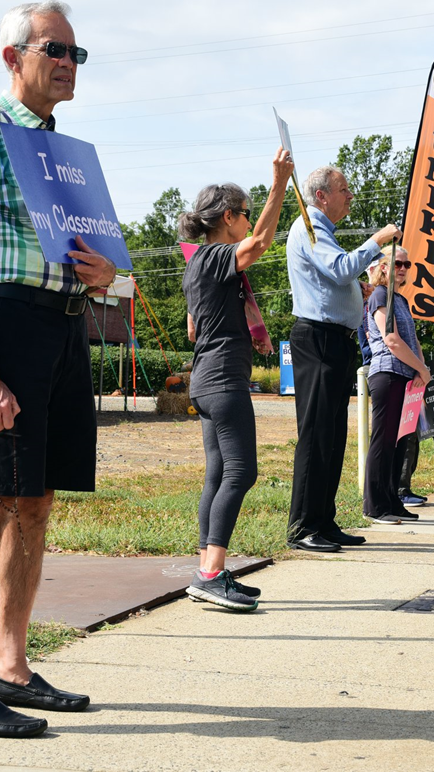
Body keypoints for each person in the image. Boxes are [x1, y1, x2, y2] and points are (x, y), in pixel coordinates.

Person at [0, 0, 116, 739]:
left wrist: (106, 274)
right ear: (13, 57)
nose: (69, 64)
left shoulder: (62, 154)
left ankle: (11, 664)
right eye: (56, 50)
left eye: (78, 54)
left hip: (67, 329)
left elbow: (93, 261)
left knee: (37, 499)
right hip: (7, 324)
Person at [180, 148, 294, 611]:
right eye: (245, 216)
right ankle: (211, 574)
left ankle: (208, 568)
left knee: (219, 473)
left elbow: (191, 328)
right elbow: (259, 244)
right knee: (242, 471)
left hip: (206, 378)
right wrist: (280, 183)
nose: (249, 223)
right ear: (229, 217)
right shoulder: (215, 257)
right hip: (224, 379)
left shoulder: (196, 264)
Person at [285, 166, 401, 552]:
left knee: (333, 438)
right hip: (317, 339)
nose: (350, 196)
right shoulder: (309, 226)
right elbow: (338, 269)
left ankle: (323, 519)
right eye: (344, 190)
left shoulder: (323, 232)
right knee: (317, 435)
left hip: (333, 340)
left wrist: (358, 289)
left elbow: (334, 277)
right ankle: (303, 527)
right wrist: (377, 241)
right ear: (321, 196)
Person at [362, 245, 431, 523]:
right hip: (387, 374)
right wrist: (420, 368)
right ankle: (375, 506)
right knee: (384, 440)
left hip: (407, 377)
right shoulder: (380, 295)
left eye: (407, 264)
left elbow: (412, 342)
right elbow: (391, 340)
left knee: (400, 442)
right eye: (397, 263)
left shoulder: (400, 300)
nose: (403, 268)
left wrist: (422, 370)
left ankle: (392, 501)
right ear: (383, 267)